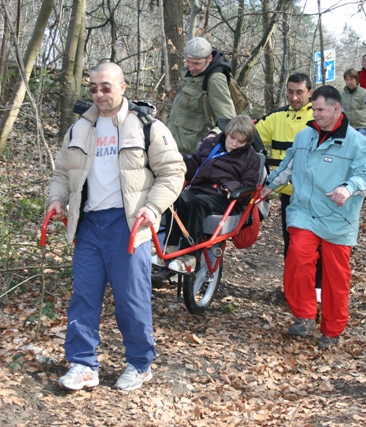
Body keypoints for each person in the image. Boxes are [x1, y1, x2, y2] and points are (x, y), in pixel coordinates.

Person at [47, 62, 186, 391]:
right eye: (93, 88)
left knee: (131, 298)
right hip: (89, 224)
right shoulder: (79, 128)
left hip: (128, 223)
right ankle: (83, 364)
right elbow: (62, 174)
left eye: (106, 87)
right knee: (84, 296)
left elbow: (173, 172)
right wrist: (56, 200)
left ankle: (140, 364)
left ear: (122, 87)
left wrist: (153, 209)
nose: (98, 94)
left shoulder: (146, 126)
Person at [259, 86, 366, 349]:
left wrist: (348, 188)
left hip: (339, 218)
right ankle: (304, 315)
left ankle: (332, 328)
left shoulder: (356, 142)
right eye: (313, 109)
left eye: (320, 110)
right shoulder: (305, 136)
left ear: (337, 109)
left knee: (336, 275)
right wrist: (269, 186)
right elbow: (288, 167)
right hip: (304, 212)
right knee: (298, 258)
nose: (315, 114)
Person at [160, 115, 260, 272]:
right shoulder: (211, 144)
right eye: (232, 138)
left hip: (223, 196)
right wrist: (180, 159)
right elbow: (193, 166)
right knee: (175, 198)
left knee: (198, 202)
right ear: (227, 133)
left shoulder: (250, 158)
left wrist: (231, 187)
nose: (234, 144)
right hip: (199, 188)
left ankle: (189, 256)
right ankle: (169, 248)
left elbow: (249, 186)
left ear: (247, 142)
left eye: (240, 142)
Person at [255, 72, 314, 257]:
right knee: (290, 240)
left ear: (310, 93)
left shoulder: (319, 115)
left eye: (299, 92)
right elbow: (252, 138)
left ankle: (317, 284)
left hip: (316, 192)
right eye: (290, 92)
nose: (294, 97)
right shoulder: (276, 117)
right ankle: (293, 283)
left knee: (313, 241)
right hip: (286, 191)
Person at [167, 37, 236, 154]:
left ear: (209, 58)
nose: (191, 66)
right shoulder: (192, 72)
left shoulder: (215, 80)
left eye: (196, 63)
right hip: (172, 147)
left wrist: (213, 135)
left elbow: (228, 120)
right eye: (188, 61)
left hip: (193, 154)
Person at [341, 68, 366, 138]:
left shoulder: (364, 93)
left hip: (361, 127)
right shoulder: (342, 94)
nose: (349, 82)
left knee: (360, 146)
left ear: (356, 80)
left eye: (352, 79)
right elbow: (341, 110)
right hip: (347, 127)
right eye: (347, 80)